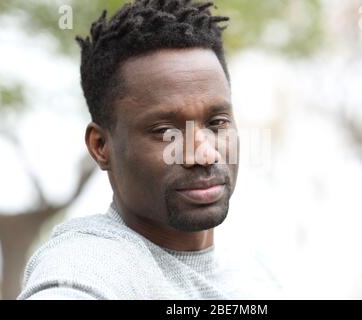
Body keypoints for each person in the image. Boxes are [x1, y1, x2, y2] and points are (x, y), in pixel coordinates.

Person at [18, 0, 281, 299]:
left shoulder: (255, 272)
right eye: (165, 132)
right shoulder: (83, 271)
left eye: (216, 122)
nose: (204, 154)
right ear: (100, 146)